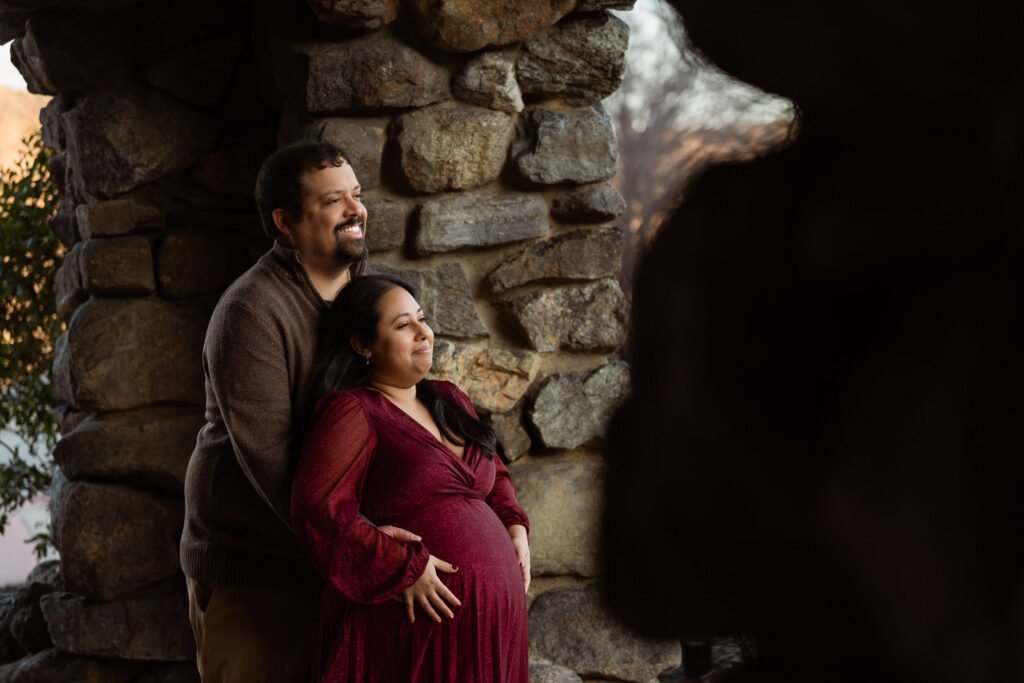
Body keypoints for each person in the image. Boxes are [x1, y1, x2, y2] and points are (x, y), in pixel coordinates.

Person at [179, 142, 417, 683]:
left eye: (357, 195)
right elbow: (275, 463)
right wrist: (372, 547)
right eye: (334, 200)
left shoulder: (375, 297)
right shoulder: (251, 311)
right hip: (258, 566)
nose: (357, 210)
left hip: (344, 557)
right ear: (285, 222)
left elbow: (414, 410)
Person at [291, 274, 531, 682]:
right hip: (416, 621)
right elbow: (316, 507)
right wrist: (399, 566)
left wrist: (513, 526)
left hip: (494, 623)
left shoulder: (450, 399)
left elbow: (495, 471)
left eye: (422, 319)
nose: (424, 332)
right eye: (403, 325)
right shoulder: (354, 411)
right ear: (363, 345)